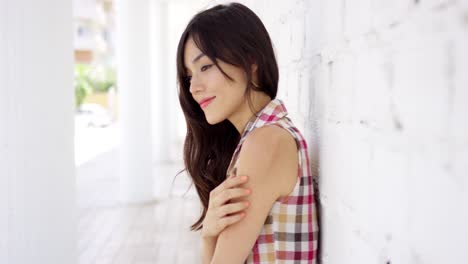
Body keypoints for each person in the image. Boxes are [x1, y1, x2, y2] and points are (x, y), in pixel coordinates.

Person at [176, 2, 319, 263]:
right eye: (188, 76)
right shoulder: (258, 139)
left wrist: (208, 235)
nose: (194, 87)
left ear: (250, 61)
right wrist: (208, 234)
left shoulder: (266, 141)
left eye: (205, 67)